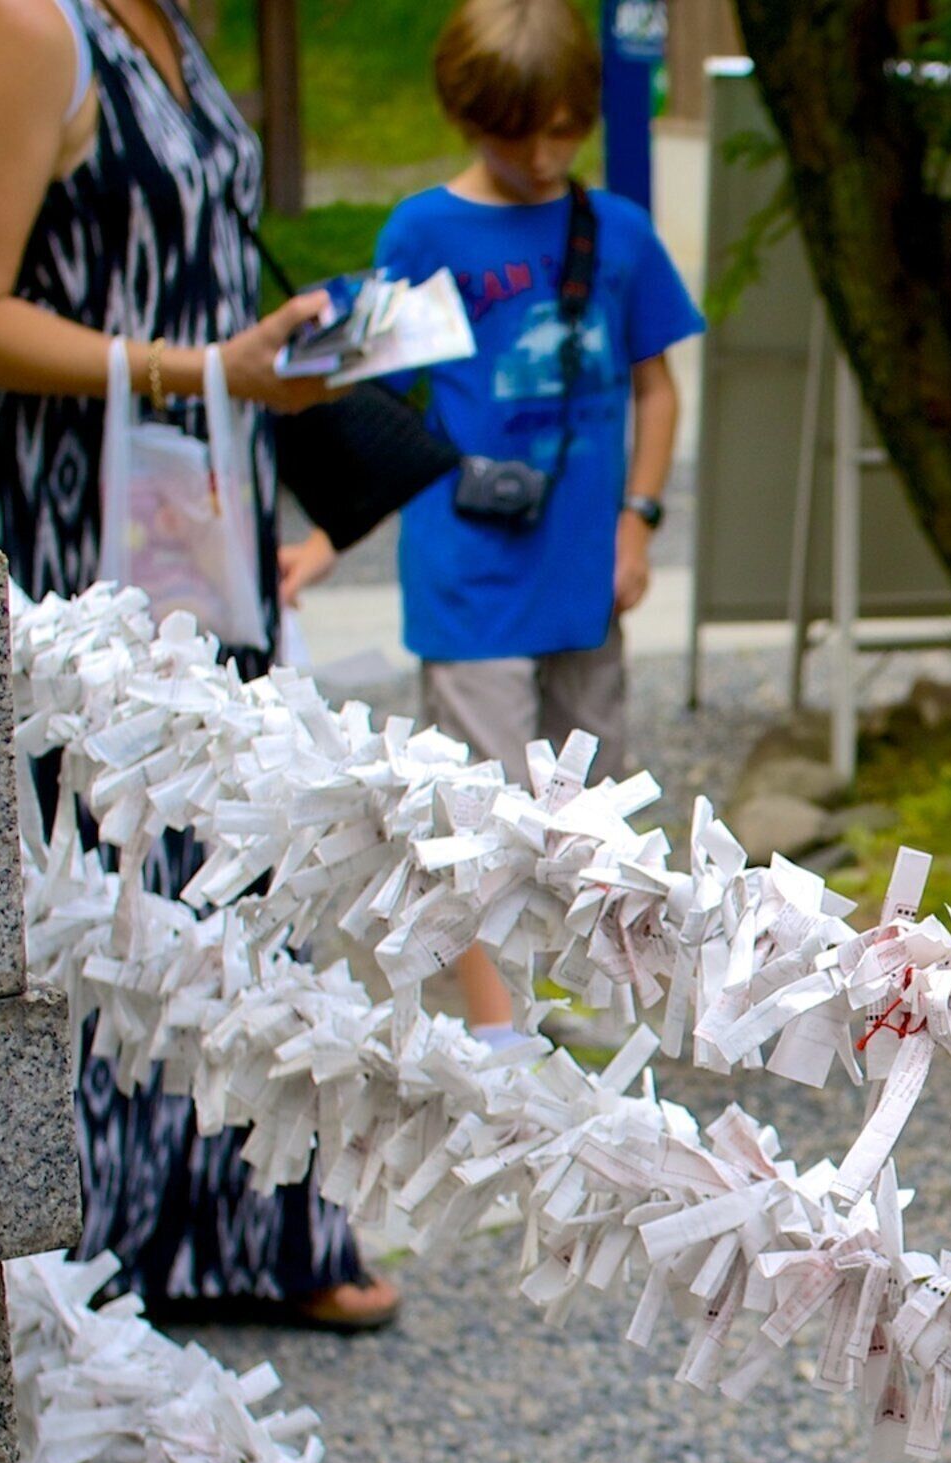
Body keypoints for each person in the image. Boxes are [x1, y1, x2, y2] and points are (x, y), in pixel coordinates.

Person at [0, 0, 400, 1329]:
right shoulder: (23, 23)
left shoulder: (165, 21)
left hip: (191, 506)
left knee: (222, 856)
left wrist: (267, 358)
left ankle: (238, 1229)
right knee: (96, 874)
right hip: (69, 510)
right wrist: (201, 368)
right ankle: (85, 1244)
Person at [293, 0, 696, 1041]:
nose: (546, 153)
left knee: (590, 799)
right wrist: (327, 538)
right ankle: (497, 1024)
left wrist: (639, 521)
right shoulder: (426, 233)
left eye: (566, 128)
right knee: (480, 801)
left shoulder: (617, 234)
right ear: (471, 116)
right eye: (521, 132)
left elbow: (656, 391)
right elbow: (371, 401)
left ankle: (583, 995)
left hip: (585, 567)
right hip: (467, 562)